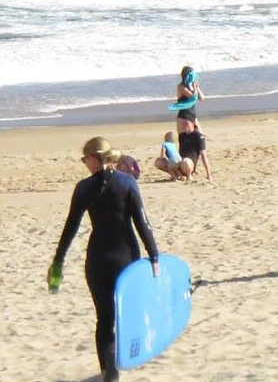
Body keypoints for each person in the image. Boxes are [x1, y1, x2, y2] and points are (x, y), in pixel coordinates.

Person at [50, 137, 161, 382]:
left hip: (98, 260)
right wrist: (154, 256)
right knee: (128, 313)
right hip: (127, 259)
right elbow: (142, 222)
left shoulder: (83, 188)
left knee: (104, 317)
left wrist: (58, 260)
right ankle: (130, 356)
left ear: (93, 158)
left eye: (84, 159)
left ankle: (109, 371)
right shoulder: (128, 183)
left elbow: (71, 227)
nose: (84, 164)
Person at [177, 115, 211, 182]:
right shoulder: (182, 136)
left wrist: (209, 174)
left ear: (193, 124)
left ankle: (189, 176)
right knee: (159, 162)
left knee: (186, 161)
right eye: (183, 124)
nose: (184, 125)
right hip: (180, 163)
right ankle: (177, 174)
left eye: (187, 124)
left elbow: (204, 156)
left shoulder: (198, 136)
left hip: (190, 163)